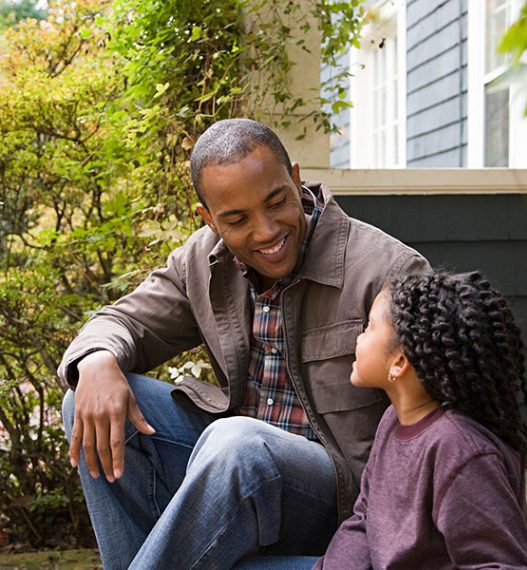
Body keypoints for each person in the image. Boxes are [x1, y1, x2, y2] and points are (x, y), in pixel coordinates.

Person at [59, 118, 430, 569]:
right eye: (237, 219)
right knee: (87, 398)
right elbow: (122, 321)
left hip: (340, 502)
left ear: (295, 180)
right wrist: (96, 359)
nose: (267, 231)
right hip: (235, 483)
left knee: (240, 445)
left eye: (276, 202)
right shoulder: (202, 262)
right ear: (209, 219)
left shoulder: (388, 271)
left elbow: (457, 426)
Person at [311, 271, 527, 570]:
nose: (358, 337)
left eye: (369, 328)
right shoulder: (393, 421)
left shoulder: (459, 452)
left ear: (400, 362)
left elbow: (501, 564)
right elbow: (364, 520)